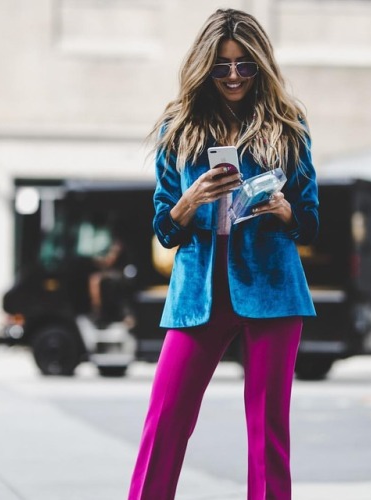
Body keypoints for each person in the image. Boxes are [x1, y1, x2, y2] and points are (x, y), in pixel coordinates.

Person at [128, 8, 318, 500]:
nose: (234, 76)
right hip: (198, 293)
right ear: (205, 67)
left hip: (274, 289)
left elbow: (311, 220)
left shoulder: (288, 125)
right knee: (164, 424)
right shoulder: (180, 127)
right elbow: (164, 230)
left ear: (260, 65)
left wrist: (281, 208)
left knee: (268, 436)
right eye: (222, 65)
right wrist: (192, 200)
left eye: (245, 65)